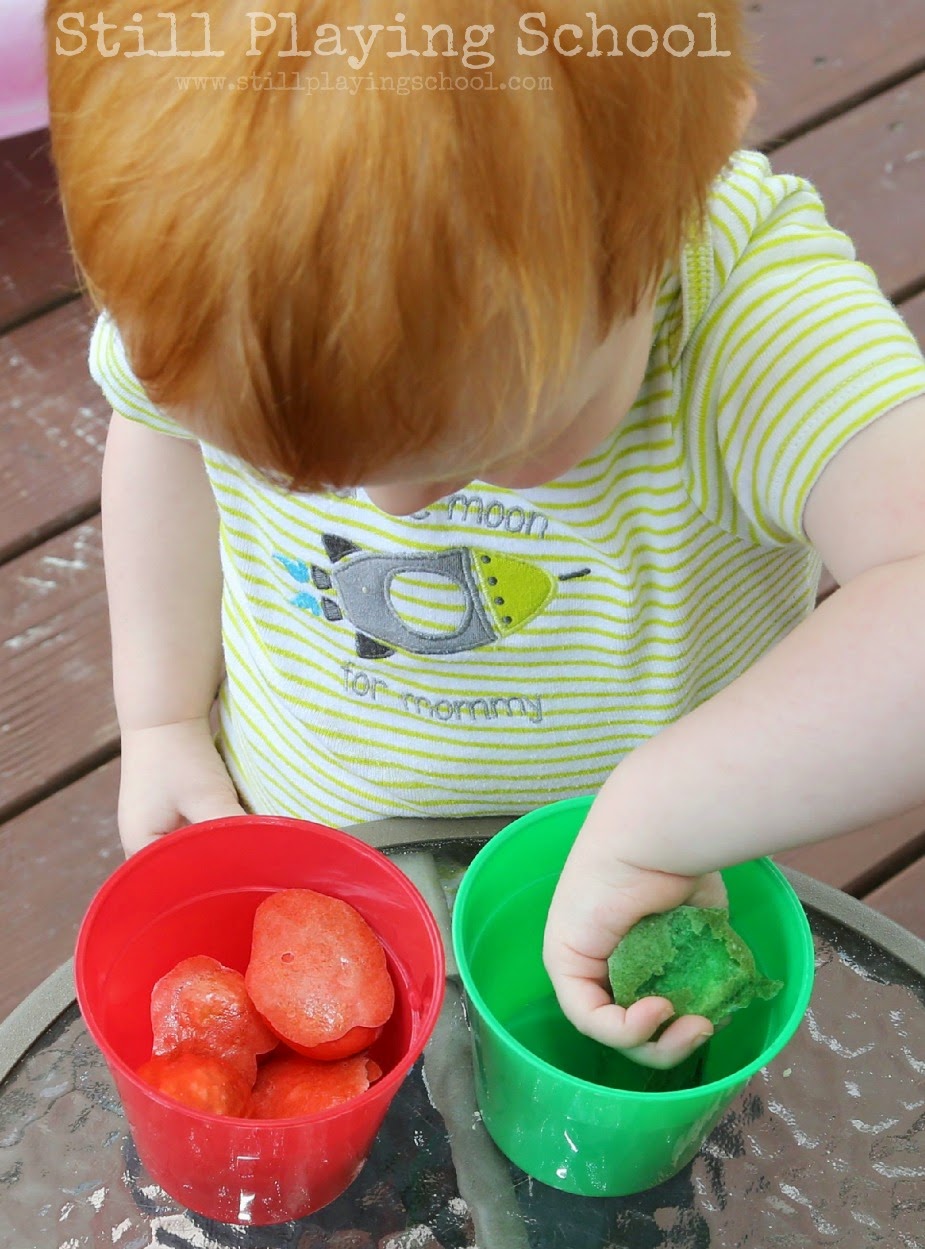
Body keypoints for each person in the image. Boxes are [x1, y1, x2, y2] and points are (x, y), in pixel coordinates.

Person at [47, 0, 925, 1070]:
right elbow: (158, 444)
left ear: (678, 194)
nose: (396, 511)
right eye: (292, 466)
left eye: (496, 443)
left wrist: (659, 819)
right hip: (317, 847)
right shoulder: (216, 256)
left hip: (610, 900)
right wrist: (163, 717)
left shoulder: (741, 311)